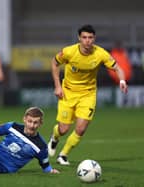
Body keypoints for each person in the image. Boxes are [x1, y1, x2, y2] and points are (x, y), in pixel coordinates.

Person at [48, 24, 128, 165]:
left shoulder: (100, 54)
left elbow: (117, 68)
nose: (87, 41)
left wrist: (122, 80)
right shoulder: (69, 52)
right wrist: (57, 86)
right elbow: (54, 63)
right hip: (68, 93)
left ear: (94, 38)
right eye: (84, 37)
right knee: (63, 129)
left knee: (81, 128)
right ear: (79, 38)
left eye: (90, 37)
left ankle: (63, 155)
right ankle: (54, 138)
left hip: (88, 95)